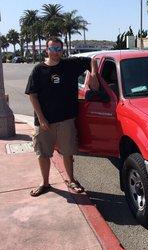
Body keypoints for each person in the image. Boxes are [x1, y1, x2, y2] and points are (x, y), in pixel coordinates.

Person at [25, 37, 99, 196]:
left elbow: (91, 60)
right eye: (52, 49)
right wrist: (42, 119)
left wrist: (93, 74)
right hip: (45, 122)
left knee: (67, 151)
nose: (56, 52)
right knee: (43, 153)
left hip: (66, 120)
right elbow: (32, 95)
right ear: (46, 50)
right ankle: (45, 183)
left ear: (62, 50)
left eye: (59, 49)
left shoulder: (69, 65)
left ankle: (71, 180)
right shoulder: (39, 70)